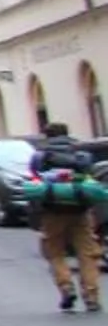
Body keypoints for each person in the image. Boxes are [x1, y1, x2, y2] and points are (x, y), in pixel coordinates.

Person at [24, 123, 106, 314]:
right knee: (87, 254)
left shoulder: (40, 156)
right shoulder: (81, 154)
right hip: (81, 212)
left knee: (55, 252)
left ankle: (66, 287)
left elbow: (34, 182)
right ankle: (92, 297)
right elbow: (90, 179)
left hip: (52, 213)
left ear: (47, 136)